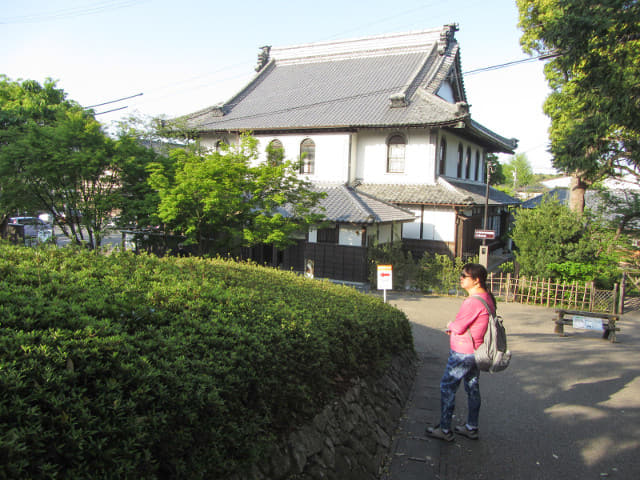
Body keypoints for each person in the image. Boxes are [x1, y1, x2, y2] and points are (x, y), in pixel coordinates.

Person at [426, 263, 496, 441]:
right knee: (472, 387)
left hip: (463, 352)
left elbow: (459, 326)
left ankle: (444, 428)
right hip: (477, 350)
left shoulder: (472, 302)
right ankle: (471, 426)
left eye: (464, 276)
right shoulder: (487, 298)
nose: (461, 278)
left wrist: (450, 325)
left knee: (447, 387)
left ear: (476, 280)